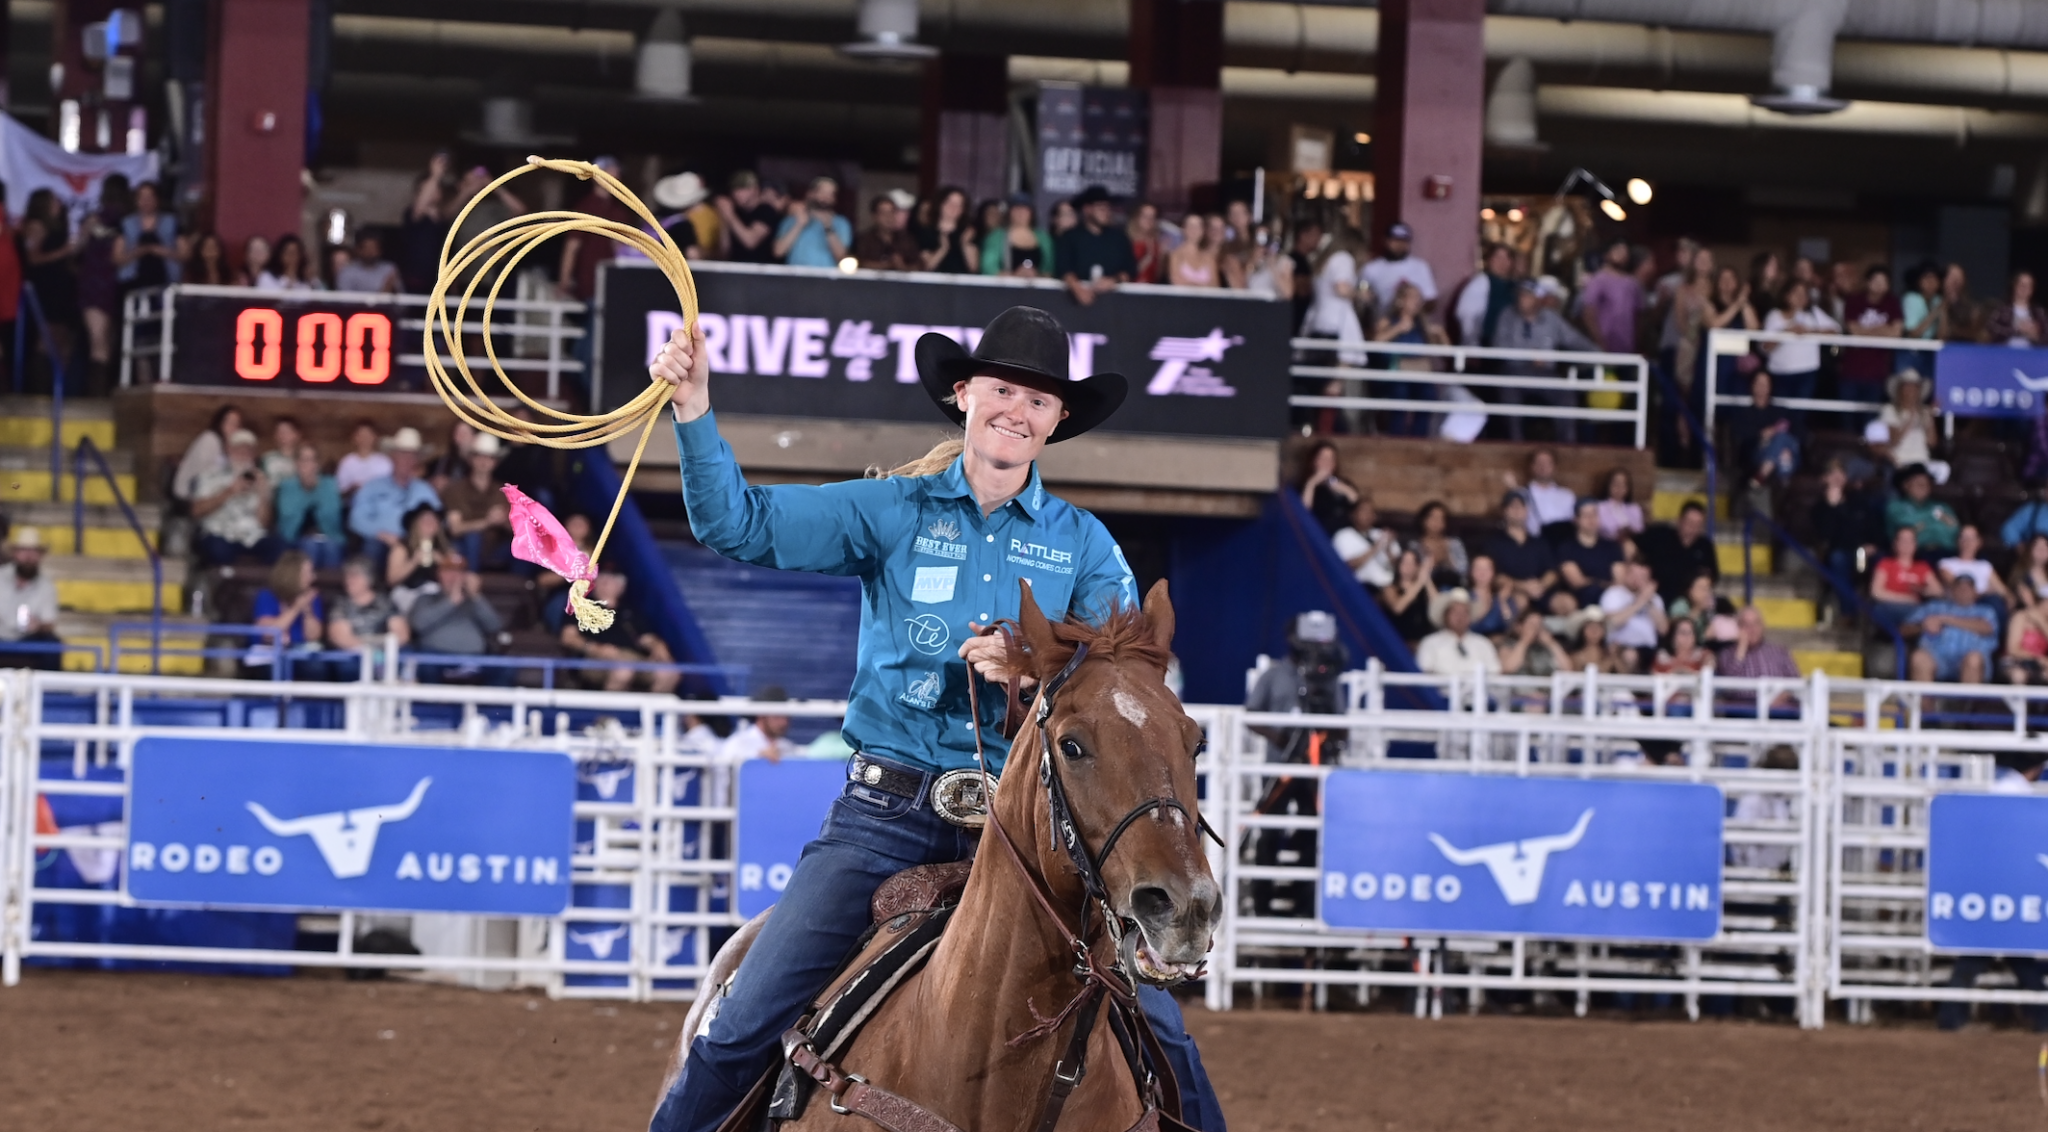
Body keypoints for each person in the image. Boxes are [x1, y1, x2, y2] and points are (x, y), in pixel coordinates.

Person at [644, 303, 1222, 1132]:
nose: (1016, 411)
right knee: (741, 1022)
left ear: (1058, 421)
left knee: (1171, 1051)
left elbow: (1120, 678)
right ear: (964, 394)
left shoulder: (1086, 546)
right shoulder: (895, 512)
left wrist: (1029, 669)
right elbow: (738, 524)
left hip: (1033, 831)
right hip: (888, 817)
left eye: (1038, 401)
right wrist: (695, 409)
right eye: (1001, 390)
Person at [1492, 281, 1600, 441]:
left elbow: (1575, 340)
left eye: (1527, 295)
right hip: (1513, 374)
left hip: (1545, 375)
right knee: (1509, 399)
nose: (1522, 299)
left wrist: (1601, 354)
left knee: (1566, 396)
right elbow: (1498, 346)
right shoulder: (1507, 315)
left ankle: (1566, 446)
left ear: (1538, 298)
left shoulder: (1551, 319)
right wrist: (1527, 356)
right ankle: (1515, 445)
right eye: (1520, 295)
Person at [560, 569, 681, 694]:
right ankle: (610, 713)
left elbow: (646, 638)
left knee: (669, 673)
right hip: (595, 659)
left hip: (633, 658)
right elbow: (568, 638)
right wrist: (594, 648)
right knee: (623, 670)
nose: (602, 583)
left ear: (621, 586)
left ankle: (651, 712)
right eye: (600, 580)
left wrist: (657, 645)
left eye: (609, 580)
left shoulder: (630, 612)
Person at [407, 551, 507, 685]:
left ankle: (490, 707)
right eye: (448, 572)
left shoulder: (474, 601)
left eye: (459, 572)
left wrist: (476, 597)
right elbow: (418, 624)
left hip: (473, 659)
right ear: (439, 575)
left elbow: (495, 626)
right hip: (436, 659)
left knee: (504, 668)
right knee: (424, 666)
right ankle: (432, 706)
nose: (454, 577)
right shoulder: (426, 599)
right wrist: (451, 602)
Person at [349, 427, 441, 571]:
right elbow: (356, 519)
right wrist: (381, 534)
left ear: (417, 460)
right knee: (372, 546)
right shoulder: (373, 486)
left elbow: (439, 518)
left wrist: (422, 534)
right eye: (402, 455)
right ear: (392, 456)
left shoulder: (425, 490)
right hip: (382, 542)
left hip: (415, 545)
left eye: (412, 456)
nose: (407, 460)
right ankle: (373, 591)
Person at [192, 429, 282, 566]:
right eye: (239, 450)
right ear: (229, 450)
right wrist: (230, 491)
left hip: (252, 537)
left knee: (279, 548)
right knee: (218, 550)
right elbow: (197, 510)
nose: (244, 454)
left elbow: (265, 524)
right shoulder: (210, 476)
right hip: (221, 533)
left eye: (248, 451)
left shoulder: (262, 479)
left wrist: (263, 495)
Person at [1372, 280, 1448, 437]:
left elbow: (1445, 351)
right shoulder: (1388, 320)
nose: (1417, 302)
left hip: (1420, 372)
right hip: (1396, 372)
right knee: (1400, 397)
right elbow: (1376, 342)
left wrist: (1441, 334)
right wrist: (1397, 328)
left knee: (1428, 397)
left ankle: (1418, 439)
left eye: (1419, 298)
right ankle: (1397, 439)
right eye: (1412, 297)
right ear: (1401, 300)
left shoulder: (1423, 324)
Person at [1760, 277, 1838, 410]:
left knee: (1801, 412)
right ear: (1786, 295)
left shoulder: (1813, 313)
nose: (1800, 297)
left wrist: (1810, 331)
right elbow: (1765, 347)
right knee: (1781, 412)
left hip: (1807, 371)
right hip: (1781, 372)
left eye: (1804, 294)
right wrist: (1786, 332)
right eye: (1796, 293)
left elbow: (1835, 331)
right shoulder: (1774, 316)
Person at [1904, 574, 1999, 684]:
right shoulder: (1933, 607)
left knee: (1974, 659)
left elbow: (1987, 628)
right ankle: (1924, 701)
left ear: (1975, 592)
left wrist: (1945, 619)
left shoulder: (1985, 611)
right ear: (1952, 591)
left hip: (1969, 661)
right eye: (1959, 587)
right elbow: (1904, 630)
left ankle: (1966, 701)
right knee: (1919, 657)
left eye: (1967, 588)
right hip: (1936, 658)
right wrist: (1922, 626)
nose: (1963, 591)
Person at [248, 550, 328, 679]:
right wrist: (296, 608)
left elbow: (314, 636)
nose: (313, 578)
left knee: (316, 668)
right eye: (307, 573)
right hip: (270, 652)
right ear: (293, 575)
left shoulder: (311, 597)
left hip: (300, 652)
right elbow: (269, 634)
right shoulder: (267, 595)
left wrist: (307, 611)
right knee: (277, 668)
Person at [1056, 186, 1137, 307]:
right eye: (1101, 208)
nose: (1106, 212)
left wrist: (1113, 280)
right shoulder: (1070, 237)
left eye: (1108, 208)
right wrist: (1078, 289)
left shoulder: (1119, 238)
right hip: (1075, 304)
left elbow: (1130, 270)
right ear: (1087, 209)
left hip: (1114, 305)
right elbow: (1064, 268)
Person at [442, 433, 511, 570]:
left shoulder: (504, 491)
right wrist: (488, 522)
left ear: (495, 462)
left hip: (494, 547)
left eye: (489, 457)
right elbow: (455, 528)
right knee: (472, 537)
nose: (484, 461)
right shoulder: (456, 489)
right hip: (464, 547)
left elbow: (516, 529)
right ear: (471, 459)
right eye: (480, 456)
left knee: (524, 545)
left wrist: (503, 521)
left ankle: (528, 587)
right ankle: (471, 577)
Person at [1811, 459, 1879, 596]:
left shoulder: (1859, 500)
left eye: (1841, 472)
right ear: (1824, 478)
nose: (1837, 476)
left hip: (1861, 550)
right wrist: (1833, 508)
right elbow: (1826, 536)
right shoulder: (1820, 508)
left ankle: (1874, 607)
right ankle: (1848, 612)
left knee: (1879, 560)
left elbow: (1871, 526)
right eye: (1832, 473)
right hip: (1841, 551)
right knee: (1838, 559)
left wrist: (1874, 544)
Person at [274, 441, 346, 570]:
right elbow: (288, 513)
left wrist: (316, 489)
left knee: (331, 548)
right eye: (304, 460)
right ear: (296, 463)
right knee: (309, 546)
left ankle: (331, 589)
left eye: (312, 460)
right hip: (296, 537)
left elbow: (333, 514)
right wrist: (307, 492)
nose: (308, 464)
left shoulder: (329, 484)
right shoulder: (287, 487)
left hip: (328, 535)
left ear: (317, 464)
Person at [1838, 265, 1904, 403]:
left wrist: (1867, 330)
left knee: (1871, 414)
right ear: (1868, 282)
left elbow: (1896, 332)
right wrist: (1882, 328)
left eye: (1883, 282)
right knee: (1848, 415)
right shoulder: (1854, 300)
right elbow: (1854, 330)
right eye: (1876, 281)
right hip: (1852, 368)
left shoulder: (1893, 302)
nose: (1879, 285)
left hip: (1877, 370)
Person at [327, 556, 408, 663]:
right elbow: (340, 636)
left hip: (383, 655)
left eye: (355, 576)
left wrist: (380, 651)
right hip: (353, 656)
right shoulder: (340, 604)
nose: (349, 580)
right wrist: (367, 652)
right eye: (347, 576)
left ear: (369, 578)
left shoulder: (385, 603)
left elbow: (401, 634)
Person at [0, 527, 60, 669]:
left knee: (52, 644)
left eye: (33, 552)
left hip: (27, 642)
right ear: (15, 553)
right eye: (24, 551)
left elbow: (49, 623)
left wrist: (38, 626)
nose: (28, 557)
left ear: (40, 556)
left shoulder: (47, 586)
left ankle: (49, 689)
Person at [1638, 501, 1719, 604]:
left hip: (1689, 603)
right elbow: (1633, 545)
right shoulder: (1659, 535)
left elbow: (1713, 575)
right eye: (1690, 522)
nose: (1693, 528)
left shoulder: (1705, 546)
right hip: (1656, 598)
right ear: (1680, 520)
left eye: (1698, 524)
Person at [1481, 493, 1556, 602]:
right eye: (1512, 506)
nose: (1517, 510)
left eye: (1521, 506)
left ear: (1527, 510)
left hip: (1540, 592)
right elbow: (1495, 577)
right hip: (1511, 593)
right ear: (1504, 511)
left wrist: (1541, 585)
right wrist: (1522, 586)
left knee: (1566, 603)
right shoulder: (1493, 543)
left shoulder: (1540, 542)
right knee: (1521, 600)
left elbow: (1552, 571)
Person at [1732, 370, 1800, 489]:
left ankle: (1762, 475)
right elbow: (1740, 435)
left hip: (1787, 454)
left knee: (1783, 441)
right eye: (1759, 383)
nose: (1762, 387)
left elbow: (1798, 433)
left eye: (1765, 384)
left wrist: (1777, 437)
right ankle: (1783, 478)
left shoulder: (1781, 411)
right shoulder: (1743, 414)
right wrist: (1762, 435)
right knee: (1782, 446)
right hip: (1759, 453)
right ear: (1752, 386)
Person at [1358, 222, 1436, 324]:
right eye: (1395, 240)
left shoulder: (1420, 267)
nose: (1399, 245)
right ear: (1386, 241)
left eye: (1404, 241)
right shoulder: (1371, 269)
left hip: (1412, 325)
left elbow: (1431, 301)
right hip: (1381, 325)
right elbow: (1362, 295)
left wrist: (1411, 311)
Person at [1868, 526, 1940, 637]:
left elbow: (1938, 591)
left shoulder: (1922, 567)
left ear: (1915, 544)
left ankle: (1906, 632)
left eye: (1910, 540)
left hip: (1915, 610)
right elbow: (1876, 592)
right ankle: (1905, 632)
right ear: (1895, 544)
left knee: (1932, 611)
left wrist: (1922, 590)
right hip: (1891, 607)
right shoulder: (1886, 564)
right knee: (1879, 610)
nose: (1907, 544)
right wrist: (1907, 599)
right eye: (1903, 540)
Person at [1415, 588, 1502, 676]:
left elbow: (1494, 673)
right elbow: (1424, 674)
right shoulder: (1430, 643)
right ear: (1445, 615)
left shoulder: (1483, 643)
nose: (1460, 617)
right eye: (1455, 612)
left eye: (1465, 612)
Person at [1600, 560, 1668, 671]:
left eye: (1642, 576)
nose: (1637, 580)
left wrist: (1649, 601)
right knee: (1630, 656)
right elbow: (1613, 622)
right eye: (1634, 575)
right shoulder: (1614, 593)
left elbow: (1663, 629)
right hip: (1620, 647)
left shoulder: (1655, 599)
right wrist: (1640, 601)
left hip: (1648, 649)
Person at [773, 176, 853, 269]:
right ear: (810, 194)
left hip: (827, 279)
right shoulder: (792, 219)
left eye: (831, 194)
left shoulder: (841, 223)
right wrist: (799, 224)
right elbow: (778, 252)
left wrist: (828, 227)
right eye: (822, 192)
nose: (826, 197)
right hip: (796, 279)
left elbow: (842, 258)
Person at [385, 504, 452, 613]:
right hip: (408, 592)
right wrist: (413, 562)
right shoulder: (402, 547)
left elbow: (457, 574)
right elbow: (391, 580)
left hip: (435, 593)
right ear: (416, 525)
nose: (429, 524)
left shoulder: (444, 548)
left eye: (433, 521)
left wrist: (443, 562)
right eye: (425, 521)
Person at [1557, 498, 1624, 606]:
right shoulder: (1567, 548)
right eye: (1586, 515)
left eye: (1594, 514)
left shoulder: (1612, 546)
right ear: (1576, 520)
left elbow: (1620, 580)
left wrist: (1598, 584)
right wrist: (1604, 584)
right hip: (1583, 599)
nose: (1591, 519)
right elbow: (1577, 582)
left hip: (1613, 597)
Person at [1579, 239, 1642, 355]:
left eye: (1625, 252)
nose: (1622, 255)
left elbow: (1638, 316)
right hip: (1604, 349)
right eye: (1617, 250)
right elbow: (1589, 313)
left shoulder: (1633, 283)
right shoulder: (1598, 280)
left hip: (1627, 349)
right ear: (1607, 254)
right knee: (1607, 374)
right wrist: (1599, 342)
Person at [1939, 525, 2013, 621]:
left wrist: (2008, 599)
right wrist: (1987, 591)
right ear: (1958, 541)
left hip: (1986, 605)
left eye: (1971, 538)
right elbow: (1959, 590)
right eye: (1964, 537)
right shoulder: (1946, 564)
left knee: (1997, 603)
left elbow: (2003, 591)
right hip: (1960, 605)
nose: (1967, 542)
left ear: (1979, 542)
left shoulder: (1984, 566)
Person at [114, 181, 178, 292]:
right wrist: (140, 251)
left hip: (167, 281)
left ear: (157, 199)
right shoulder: (126, 223)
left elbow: (186, 253)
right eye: (142, 197)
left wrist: (159, 250)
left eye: (150, 197)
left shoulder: (172, 222)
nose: (146, 201)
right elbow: (117, 257)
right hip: (131, 281)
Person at [1885, 463, 1959, 557]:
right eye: (1919, 483)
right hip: (1915, 555)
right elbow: (1906, 526)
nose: (1923, 487)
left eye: (1926, 483)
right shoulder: (1896, 506)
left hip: (1946, 553)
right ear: (1906, 485)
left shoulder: (1942, 506)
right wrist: (1936, 518)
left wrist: (1923, 524)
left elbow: (1954, 528)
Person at [173, 404, 243, 503]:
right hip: (188, 496)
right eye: (230, 423)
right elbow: (205, 475)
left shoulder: (232, 447)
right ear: (220, 423)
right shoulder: (209, 439)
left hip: (214, 495)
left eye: (237, 424)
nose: (233, 428)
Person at [1874, 370, 1939, 474]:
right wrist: (1911, 419)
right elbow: (1894, 440)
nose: (1911, 390)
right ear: (1900, 390)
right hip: (1900, 461)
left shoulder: (1925, 412)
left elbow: (1932, 443)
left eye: (1914, 387)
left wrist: (1931, 417)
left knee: (1944, 469)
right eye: (1907, 386)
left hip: (1922, 462)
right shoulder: (1890, 410)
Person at [1717, 605, 1800, 681]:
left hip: (1778, 697)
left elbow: (1795, 682)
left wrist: (1778, 697)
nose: (1752, 629)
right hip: (1742, 697)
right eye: (1746, 624)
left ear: (1763, 626)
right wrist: (1741, 649)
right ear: (1738, 628)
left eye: (1756, 623)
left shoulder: (1780, 652)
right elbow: (1730, 684)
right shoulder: (1726, 654)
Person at [715, 171, 782, 264]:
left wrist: (730, 215)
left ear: (755, 189)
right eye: (735, 189)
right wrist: (724, 219)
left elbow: (750, 241)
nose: (737, 193)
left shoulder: (766, 211)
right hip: (735, 269)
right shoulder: (736, 212)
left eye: (743, 189)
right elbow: (724, 252)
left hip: (761, 271)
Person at [1332, 496, 1398, 590]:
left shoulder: (1381, 534)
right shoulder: (1343, 536)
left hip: (1389, 584)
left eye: (1372, 512)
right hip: (1361, 586)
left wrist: (1388, 549)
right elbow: (1347, 567)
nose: (1368, 515)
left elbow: (1399, 567)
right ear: (1353, 515)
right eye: (1364, 511)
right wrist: (1376, 547)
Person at [1507, 449, 1576, 537]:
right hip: (1533, 544)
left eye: (1547, 463)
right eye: (1539, 462)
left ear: (1554, 467)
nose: (1543, 467)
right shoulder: (1521, 494)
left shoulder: (1567, 496)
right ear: (1532, 466)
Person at [720, 685, 798, 763]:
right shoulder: (738, 744)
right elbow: (725, 771)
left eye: (787, 716)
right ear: (761, 714)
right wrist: (757, 759)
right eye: (777, 716)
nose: (784, 722)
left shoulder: (788, 747)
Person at [1297, 440, 1360, 536]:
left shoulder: (1343, 483)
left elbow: (1356, 502)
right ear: (1314, 461)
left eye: (1331, 459)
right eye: (1323, 458)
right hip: (1317, 536)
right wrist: (1312, 483)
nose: (1327, 463)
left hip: (1344, 536)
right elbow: (1303, 511)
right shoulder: (1303, 485)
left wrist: (1342, 488)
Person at [982, 195, 1053, 279]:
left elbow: (1049, 268)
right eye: (1016, 209)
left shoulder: (1044, 238)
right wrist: (1013, 276)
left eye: (1025, 210)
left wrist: (1036, 275)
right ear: (1009, 212)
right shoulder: (996, 237)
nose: (1020, 213)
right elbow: (988, 268)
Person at [1378, 547, 1436, 644]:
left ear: (1418, 567)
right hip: (1399, 641)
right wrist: (1420, 582)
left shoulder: (1423, 587)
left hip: (1423, 641)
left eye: (1412, 563)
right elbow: (1398, 608)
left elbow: (1437, 607)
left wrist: (1427, 578)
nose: (1407, 565)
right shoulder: (1390, 589)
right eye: (1404, 562)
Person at [913, 185, 975, 274]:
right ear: (940, 204)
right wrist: (943, 248)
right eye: (950, 202)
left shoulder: (968, 233)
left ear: (963, 210)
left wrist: (965, 243)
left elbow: (973, 267)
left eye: (959, 205)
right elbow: (927, 266)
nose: (953, 208)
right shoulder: (926, 233)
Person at [1668, 570, 1736, 647]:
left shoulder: (1713, 606)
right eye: (1702, 588)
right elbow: (1676, 628)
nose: (1706, 592)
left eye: (1708, 588)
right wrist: (1698, 609)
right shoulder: (1680, 605)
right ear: (1690, 590)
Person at [1499, 605, 1569, 679]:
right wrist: (1524, 642)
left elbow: (1568, 669)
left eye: (1539, 625)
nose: (1536, 629)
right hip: (1520, 689)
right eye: (1531, 625)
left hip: (1546, 689)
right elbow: (1508, 668)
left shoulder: (1546, 647)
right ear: (1519, 627)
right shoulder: (1509, 645)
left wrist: (1552, 644)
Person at [854, 194, 918, 271]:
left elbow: (919, 265)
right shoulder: (864, 239)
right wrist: (888, 265)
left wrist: (903, 267)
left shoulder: (906, 239)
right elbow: (859, 263)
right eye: (884, 213)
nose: (889, 217)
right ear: (874, 216)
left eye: (892, 212)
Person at [1412, 500, 1469, 585]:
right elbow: (1410, 573)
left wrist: (1447, 558)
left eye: (1441, 519)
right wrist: (1433, 562)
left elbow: (1464, 572)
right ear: (1423, 520)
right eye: (1433, 518)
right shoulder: (1415, 546)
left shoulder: (1455, 544)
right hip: (1423, 587)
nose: (1437, 522)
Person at [1985, 270, 2046, 347]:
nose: (2024, 288)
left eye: (2028, 285)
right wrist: (2017, 330)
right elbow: (1991, 328)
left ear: (2032, 290)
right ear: (2015, 286)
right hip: (2006, 352)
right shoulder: (2002, 309)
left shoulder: (2038, 312)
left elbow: (2045, 335)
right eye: (2022, 284)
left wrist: (2036, 336)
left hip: (2032, 354)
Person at [335, 420, 393, 497]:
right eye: (361, 435)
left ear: (375, 437)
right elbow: (340, 490)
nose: (365, 439)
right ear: (354, 438)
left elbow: (390, 487)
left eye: (368, 435)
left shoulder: (384, 462)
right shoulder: (347, 462)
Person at [334, 231, 401, 294]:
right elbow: (344, 301)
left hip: (385, 306)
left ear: (380, 250)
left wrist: (391, 291)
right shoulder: (347, 271)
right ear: (358, 249)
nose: (370, 252)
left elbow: (401, 299)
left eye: (374, 248)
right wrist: (381, 296)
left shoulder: (389, 269)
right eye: (367, 248)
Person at [1166, 214, 1220, 288]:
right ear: (1184, 229)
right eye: (1191, 226)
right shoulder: (1176, 255)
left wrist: (1193, 285)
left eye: (1197, 226)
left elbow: (1215, 284)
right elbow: (1176, 281)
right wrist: (1201, 286)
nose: (1194, 230)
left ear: (1202, 230)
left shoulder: (1209, 257)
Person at [1595, 468, 1644, 545]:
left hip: (1633, 543)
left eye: (1623, 484)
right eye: (1616, 483)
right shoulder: (1599, 507)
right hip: (1609, 544)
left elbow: (1639, 530)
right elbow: (1602, 530)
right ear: (1608, 485)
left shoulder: (1634, 508)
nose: (1619, 488)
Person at [2003, 479, 2048, 551]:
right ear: (2045, 491)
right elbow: (2008, 529)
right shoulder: (2033, 510)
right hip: (2035, 560)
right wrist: (2019, 546)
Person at [259, 416, 303, 484]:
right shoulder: (267, 458)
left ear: (296, 435)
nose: (282, 435)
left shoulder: (304, 459)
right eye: (279, 431)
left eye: (286, 432)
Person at [2012, 533, 2048, 612]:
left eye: (2045, 548)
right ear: (2030, 550)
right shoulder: (2022, 575)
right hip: (2033, 613)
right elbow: (2029, 604)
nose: (2042, 551)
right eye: (2038, 548)